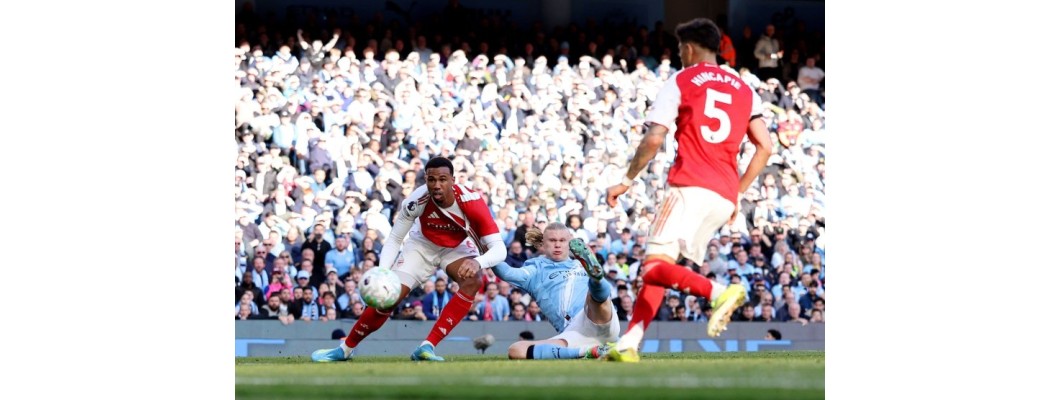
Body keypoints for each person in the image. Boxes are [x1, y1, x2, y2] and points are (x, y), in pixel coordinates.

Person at [602, 17, 772, 362]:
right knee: (661, 266)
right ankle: (630, 343)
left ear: (689, 48)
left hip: (689, 186)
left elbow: (653, 138)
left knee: (651, 267)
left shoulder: (682, 79)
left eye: (680, 49)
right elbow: (765, 147)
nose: (680, 54)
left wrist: (627, 179)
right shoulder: (744, 87)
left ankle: (719, 292)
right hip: (724, 195)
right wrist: (737, 193)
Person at [311, 157, 507, 362]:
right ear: (426, 179)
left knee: (472, 280)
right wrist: (383, 272)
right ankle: (345, 349)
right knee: (389, 297)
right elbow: (395, 238)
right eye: (431, 180)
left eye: (443, 179)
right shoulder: (416, 201)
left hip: (456, 247)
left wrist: (478, 262)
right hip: (421, 246)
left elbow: (499, 249)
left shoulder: (472, 202)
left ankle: (427, 347)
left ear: (453, 180)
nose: (437, 185)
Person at [492, 223, 619, 360]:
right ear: (542, 243)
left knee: (593, 296)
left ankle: (597, 280)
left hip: (598, 315)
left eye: (562, 240)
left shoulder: (579, 265)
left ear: (569, 242)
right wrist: (487, 251)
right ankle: (592, 351)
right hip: (574, 332)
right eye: (552, 240)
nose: (557, 245)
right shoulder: (535, 269)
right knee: (516, 350)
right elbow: (506, 273)